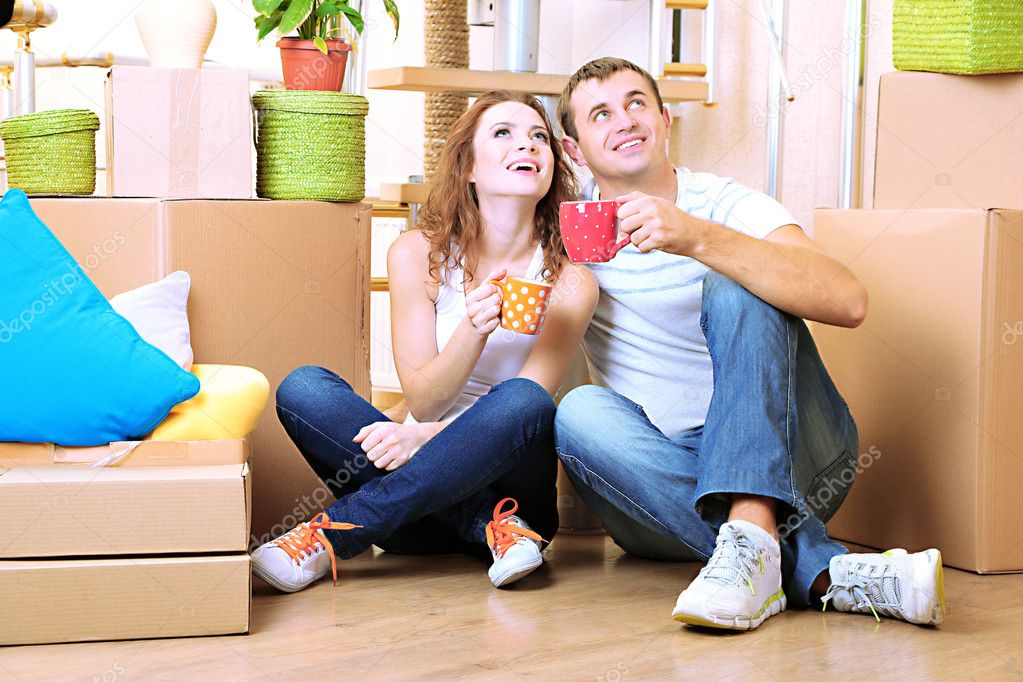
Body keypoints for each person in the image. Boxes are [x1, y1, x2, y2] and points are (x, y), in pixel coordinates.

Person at [553, 57, 944, 630]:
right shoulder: (566, 227)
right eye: (601, 113)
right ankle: (822, 570)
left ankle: (756, 535)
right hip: (658, 483)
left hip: (796, 457)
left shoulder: (724, 204)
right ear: (575, 149)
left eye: (637, 103)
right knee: (579, 411)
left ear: (664, 119)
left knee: (736, 282)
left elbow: (848, 300)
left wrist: (697, 237)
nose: (625, 120)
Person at [250, 90, 598, 593]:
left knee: (523, 401)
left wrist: (418, 438)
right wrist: (472, 331)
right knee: (305, 388)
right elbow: (425, 399)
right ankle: (489, 528)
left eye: (539, 136)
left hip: (513, 490)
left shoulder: (570, 281)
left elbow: (530, 405)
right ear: (468, 167)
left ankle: (331, 534)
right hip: (429, 517)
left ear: (550, 167)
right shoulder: (417, 254)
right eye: (503, 133)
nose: (528, 145)